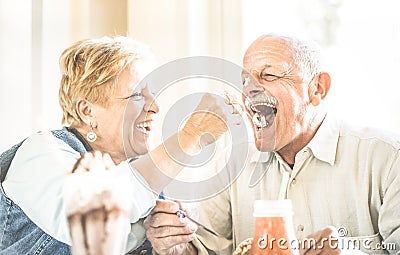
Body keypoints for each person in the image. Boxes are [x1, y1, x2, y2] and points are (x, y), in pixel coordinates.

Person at [144, 33, 400, 254]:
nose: (250, 90)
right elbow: (206, 250)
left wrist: (350, 253)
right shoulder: (231, 163)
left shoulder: (387, 159)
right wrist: (176, 247)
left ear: (318, 88)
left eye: (267, 75)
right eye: (245, 81)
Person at [0, 36, 234, 254]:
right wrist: (189, 136)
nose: (155, 107)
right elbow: (92, 219)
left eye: (152, 94)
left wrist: (169, 245)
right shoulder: (42, 155)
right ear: (87, 111)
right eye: (137, 95)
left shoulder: (147, 183)